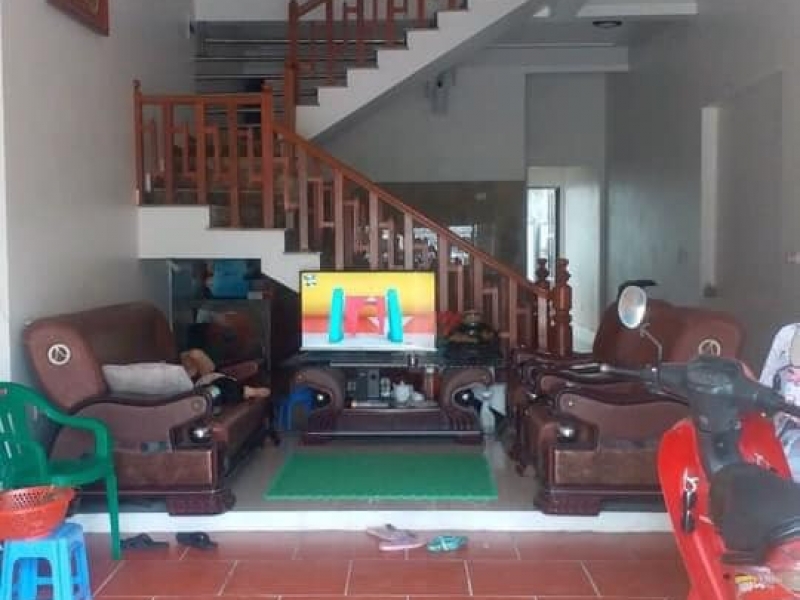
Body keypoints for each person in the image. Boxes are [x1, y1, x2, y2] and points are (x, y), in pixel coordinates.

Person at [759, 323, 800, 480]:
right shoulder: (788, 335)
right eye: (791, 371)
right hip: (777, 436)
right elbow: (763, 395)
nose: (794, 378)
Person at [180, 348, 271, 414]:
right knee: (219, 389)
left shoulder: (212, 376)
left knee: (193, 354)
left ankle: (245, 390)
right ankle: (246, 391)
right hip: (208, 391)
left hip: (212, 381)